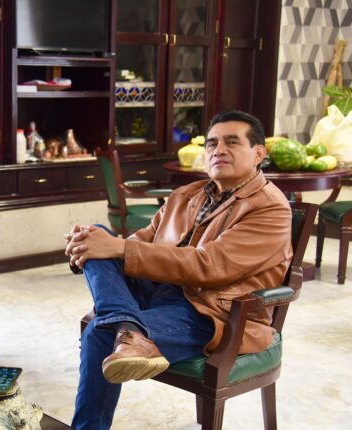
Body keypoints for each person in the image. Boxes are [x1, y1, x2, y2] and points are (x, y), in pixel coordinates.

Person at [65, 111, 292, 429]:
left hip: (210, 314)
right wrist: (87, 247)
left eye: (231, 142)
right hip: (155, 291)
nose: (218, 150)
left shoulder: (270, 208)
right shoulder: (188, 195)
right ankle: (128, 325)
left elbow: (208, 265)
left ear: (258, 153)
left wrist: (116, 248)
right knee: (96, 232)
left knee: (101, 333)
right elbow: (139, 242)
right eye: (212, 143)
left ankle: (123, 327)